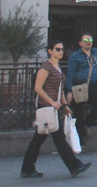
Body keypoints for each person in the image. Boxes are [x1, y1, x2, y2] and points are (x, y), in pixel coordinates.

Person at [21, 39, 90, 179]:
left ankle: (27, 168)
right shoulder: (46, 67)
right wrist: (52, 102)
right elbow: (37, 88)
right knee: (57, 138)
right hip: (46, 107)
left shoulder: (57, 67)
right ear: (50, 51)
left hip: (53, 107)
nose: (61, 52)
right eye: (57, 49)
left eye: (62, 49)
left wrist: (64, 106)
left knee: (40, 139)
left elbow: (60, 90)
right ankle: (74, 166)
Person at [66, 33, 97, 143]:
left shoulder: (95, 52)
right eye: (85, 40)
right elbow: (70, 73)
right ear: (80, 43)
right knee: (78, 113)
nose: (88, 42)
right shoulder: (75, 56)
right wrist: (69, 90)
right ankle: (80, 141)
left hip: (91, 86)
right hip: (79, 85)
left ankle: (86, 123)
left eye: (90, 40)